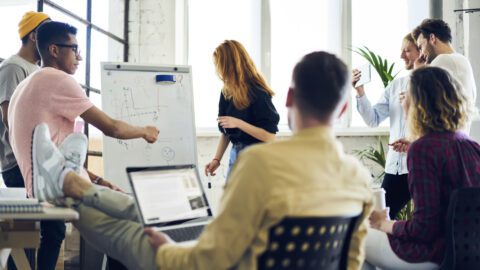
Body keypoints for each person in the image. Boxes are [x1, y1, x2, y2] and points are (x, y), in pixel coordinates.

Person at [30, 51, 373, 270]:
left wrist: (167, 253)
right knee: (155, 214)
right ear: (343, 108)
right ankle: (71, 182)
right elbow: (352, 262)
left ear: (289, 97)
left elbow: (212, 260)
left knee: (129, 234)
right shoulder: (358, 179)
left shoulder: (262, 166)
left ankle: (66, 185)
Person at [8, 21, 158, 269]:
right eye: (74, 49)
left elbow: (54, 155)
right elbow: (112, 128)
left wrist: (97, 179)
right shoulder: (58, 80)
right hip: (59, 191)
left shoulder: (25, 86)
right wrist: (145, 131)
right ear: (54, 50)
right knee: (136, 223)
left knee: (123, 226)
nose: (80, 57)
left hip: (42, 185)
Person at [363, 66, 480, 270]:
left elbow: (424, 229)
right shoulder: (471, 145)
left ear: (420, 103)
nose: (403, 100)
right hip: (470, 253)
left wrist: (385, 224)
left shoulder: (423, 149)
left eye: (406, 94)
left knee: (359, 237)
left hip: (434, 254)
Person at [0, 11, 50, 270]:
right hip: (18, 164)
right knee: (22, 239)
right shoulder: (13, 67)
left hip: (37, 164)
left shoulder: (38, 70)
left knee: (49, 233)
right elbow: (11, 119)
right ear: (34, 36)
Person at [352, 33, 420, 219]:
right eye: (401, 51)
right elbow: (372, 119)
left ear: (421, 51)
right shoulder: (395, 85)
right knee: (380, 217)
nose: (402, 56)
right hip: (395, 167)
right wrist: (360, 91)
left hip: (420, 165)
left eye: (407, 50)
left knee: (427, 220)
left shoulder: (433, 84)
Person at [204, 40, 279, 178]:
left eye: (218, 65)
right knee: (232, 198)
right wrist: (216, 159)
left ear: (228, 66)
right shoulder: (226, 92)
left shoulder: (258, 93)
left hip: (257, 158)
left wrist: (238, 123)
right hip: (236, 154)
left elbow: (269, 136)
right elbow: (226, 132)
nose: (217, 70)